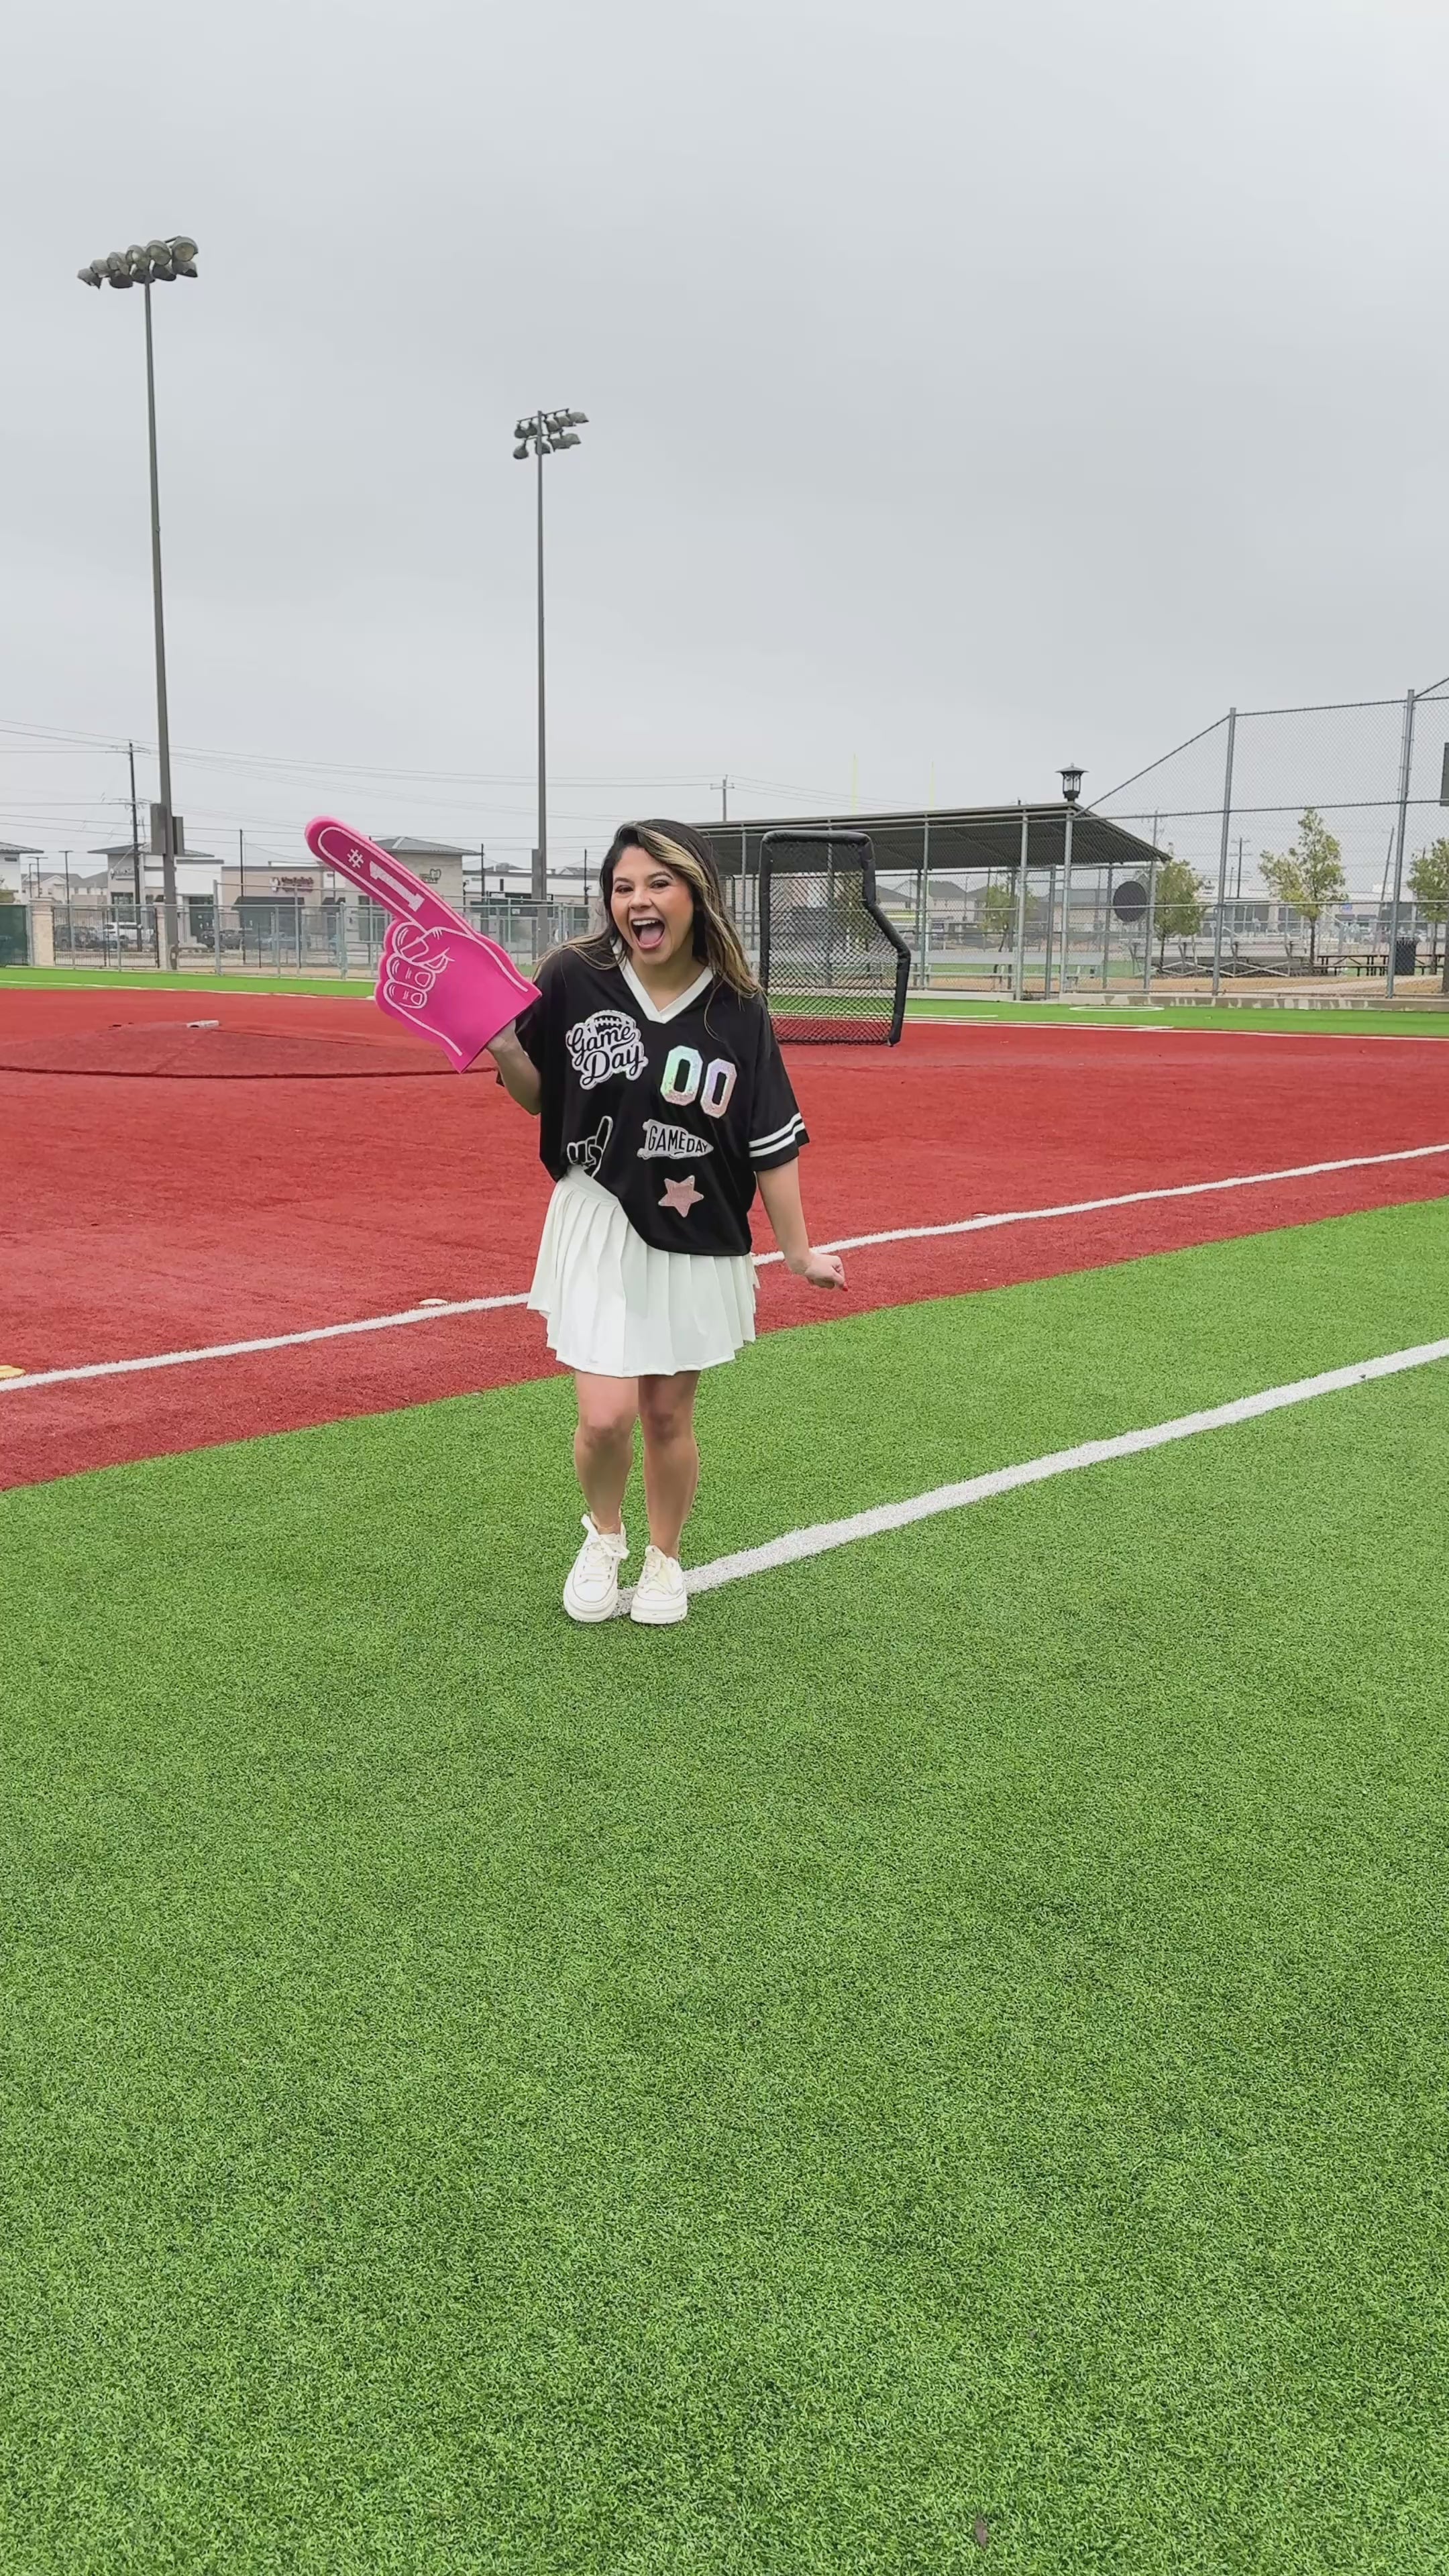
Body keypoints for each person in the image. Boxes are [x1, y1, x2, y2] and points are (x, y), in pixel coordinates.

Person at [487, 818, 845, 1626]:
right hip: (598, 1217)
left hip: (697, 1230)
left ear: (694, 894)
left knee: (665, 1415)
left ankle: (664, 1559)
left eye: (656, 884)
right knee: (604, 1416)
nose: (637, 902)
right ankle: (603, 1536)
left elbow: (769, 1139)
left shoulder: (738, 1010)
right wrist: (506, 1045)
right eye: (622, 888)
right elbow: (539, 1093)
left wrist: (797, 1250)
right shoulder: (572, 977)